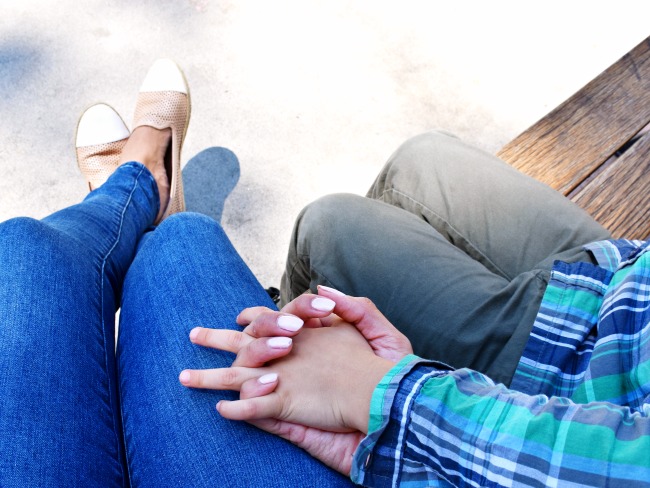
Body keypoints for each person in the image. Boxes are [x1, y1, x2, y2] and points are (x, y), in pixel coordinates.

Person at [1, 58, 648, 488]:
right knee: (393, 179)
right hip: (625, 299)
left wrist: (397, 398)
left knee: (35, 255)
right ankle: (147, 192)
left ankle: (134, 186)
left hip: (584, 399)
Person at [180, 130, 650, 487]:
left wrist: (381, 390)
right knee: (421, 161)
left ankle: (288, 339)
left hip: (580, 389)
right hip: (625, 286)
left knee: (328, 230)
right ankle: (298, 339)